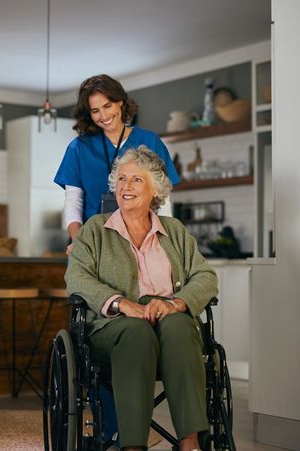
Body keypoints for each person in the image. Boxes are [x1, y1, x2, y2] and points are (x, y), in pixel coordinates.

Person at [66, 147, 218, 451]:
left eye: (137, 180)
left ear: (155, 190)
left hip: (168, 318)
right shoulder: (95, 229)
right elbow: (77, 277)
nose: (126, 187)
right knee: (135, 333)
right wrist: (121, 303)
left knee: (179, 327)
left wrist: (176, 303)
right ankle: (133, 445)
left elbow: (206, 277)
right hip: (114, 325)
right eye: (122, 179)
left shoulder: (174, 231)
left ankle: (190, 444)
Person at [54, 74, 180, 252]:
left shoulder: (150, 141)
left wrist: (166, 241)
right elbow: (73, 201)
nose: (103, 115)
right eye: (95, 110)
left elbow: (162, 198)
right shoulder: (78, 148)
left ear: (120, 101)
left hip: (142, 243)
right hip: (95, 244)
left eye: (107, 106)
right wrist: (79, 242)